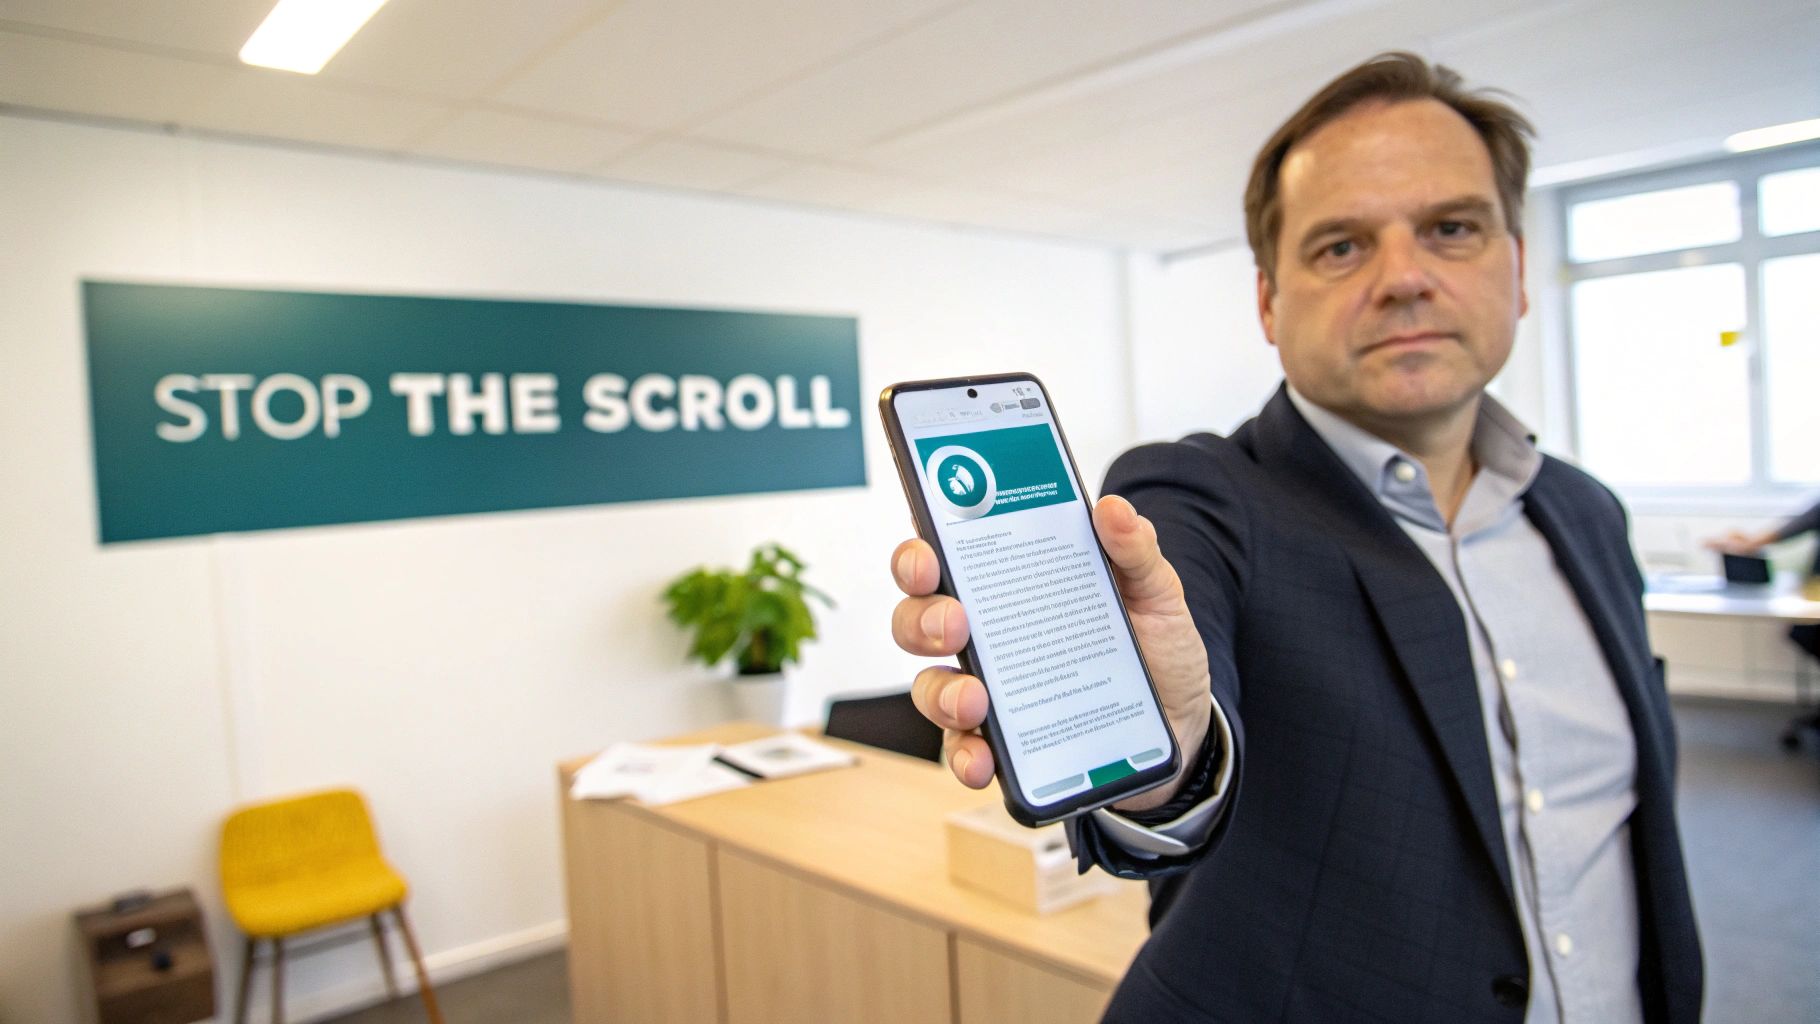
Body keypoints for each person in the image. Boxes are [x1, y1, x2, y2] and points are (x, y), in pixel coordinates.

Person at [889, 53, 1702, 1023]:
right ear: (1268, 303)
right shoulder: (1193, 496)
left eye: (1450, 229)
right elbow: (1170, 771)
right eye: (1340, 247)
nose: (1403, 278)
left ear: (1516, 270)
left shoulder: (1585, 513)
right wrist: (1164, 749)